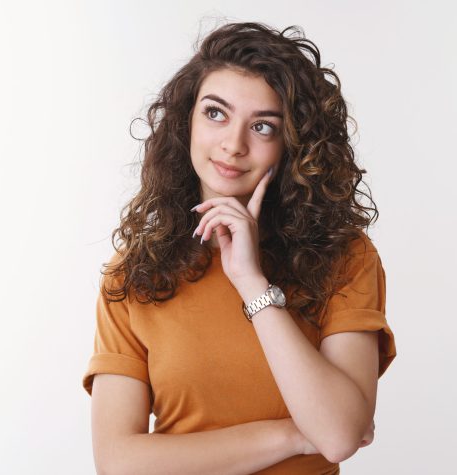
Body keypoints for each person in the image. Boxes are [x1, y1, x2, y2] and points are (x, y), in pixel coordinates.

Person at [81, 21, 396, 475]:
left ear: (292, 145)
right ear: (185, 121)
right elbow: (118, 463)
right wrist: (290, 435)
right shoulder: (134, 274)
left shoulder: (344, 257)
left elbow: (339, 434)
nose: (233, 145)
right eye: (215, 113)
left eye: (263, 126)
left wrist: (251, 283)